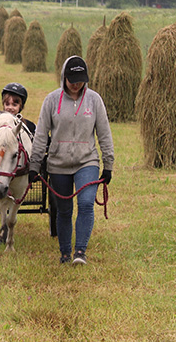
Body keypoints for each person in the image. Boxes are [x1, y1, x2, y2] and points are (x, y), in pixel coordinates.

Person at [28, 56, 113, 266]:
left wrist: (108, 164)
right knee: (64, 209)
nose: (76, 84)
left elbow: (104, 133)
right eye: (72, 79)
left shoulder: (94, 100)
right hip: (58, 163)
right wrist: (35, 165)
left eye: (80, 80)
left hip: (87, 161)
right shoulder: (51, 101)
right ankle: (65, 253)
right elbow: (40, 135)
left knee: (85, 203)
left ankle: (80, 251)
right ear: (64, 77)